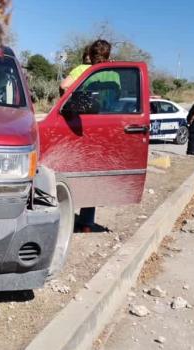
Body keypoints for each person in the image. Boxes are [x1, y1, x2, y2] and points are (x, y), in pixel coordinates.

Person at [59, 39, 117, 233]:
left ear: (90, 54)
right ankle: (86, 222)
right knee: (92, 173)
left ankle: (63, 216)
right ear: (108, 54)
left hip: (79, 123)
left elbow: (64, 86)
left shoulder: (82, 69)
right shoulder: (115, 73)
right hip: (103, 127)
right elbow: (115, 99)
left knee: (70, 169)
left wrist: (77, 104)